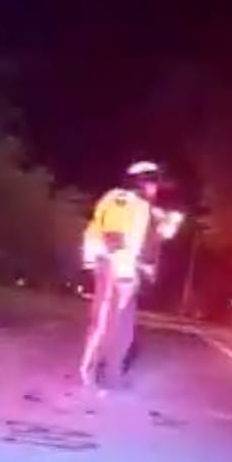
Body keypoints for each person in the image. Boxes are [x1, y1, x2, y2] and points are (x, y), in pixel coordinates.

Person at [79, 160, 183, 389]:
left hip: (127, 272)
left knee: (124, 330)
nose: (156, 188)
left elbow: (152, 240)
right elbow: (112, 236)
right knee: (105, 322)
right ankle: (90, 371)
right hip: (111, 266)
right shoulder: (120, 199)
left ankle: (112, 376)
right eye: (152, 182)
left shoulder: (145, 209)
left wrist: (169, 226)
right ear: (140, 181)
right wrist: (126, 269)